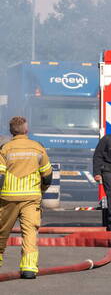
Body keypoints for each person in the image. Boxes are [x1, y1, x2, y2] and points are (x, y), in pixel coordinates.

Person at [0, 117, 52, 278]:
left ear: (11, 131)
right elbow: (47, 177)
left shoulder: (5, 149)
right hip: (31, 197)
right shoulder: (38, 148)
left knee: (2, 231)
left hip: (8, 197)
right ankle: (29, 268)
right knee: (30, 232)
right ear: (26, 130)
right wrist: (41, 191)